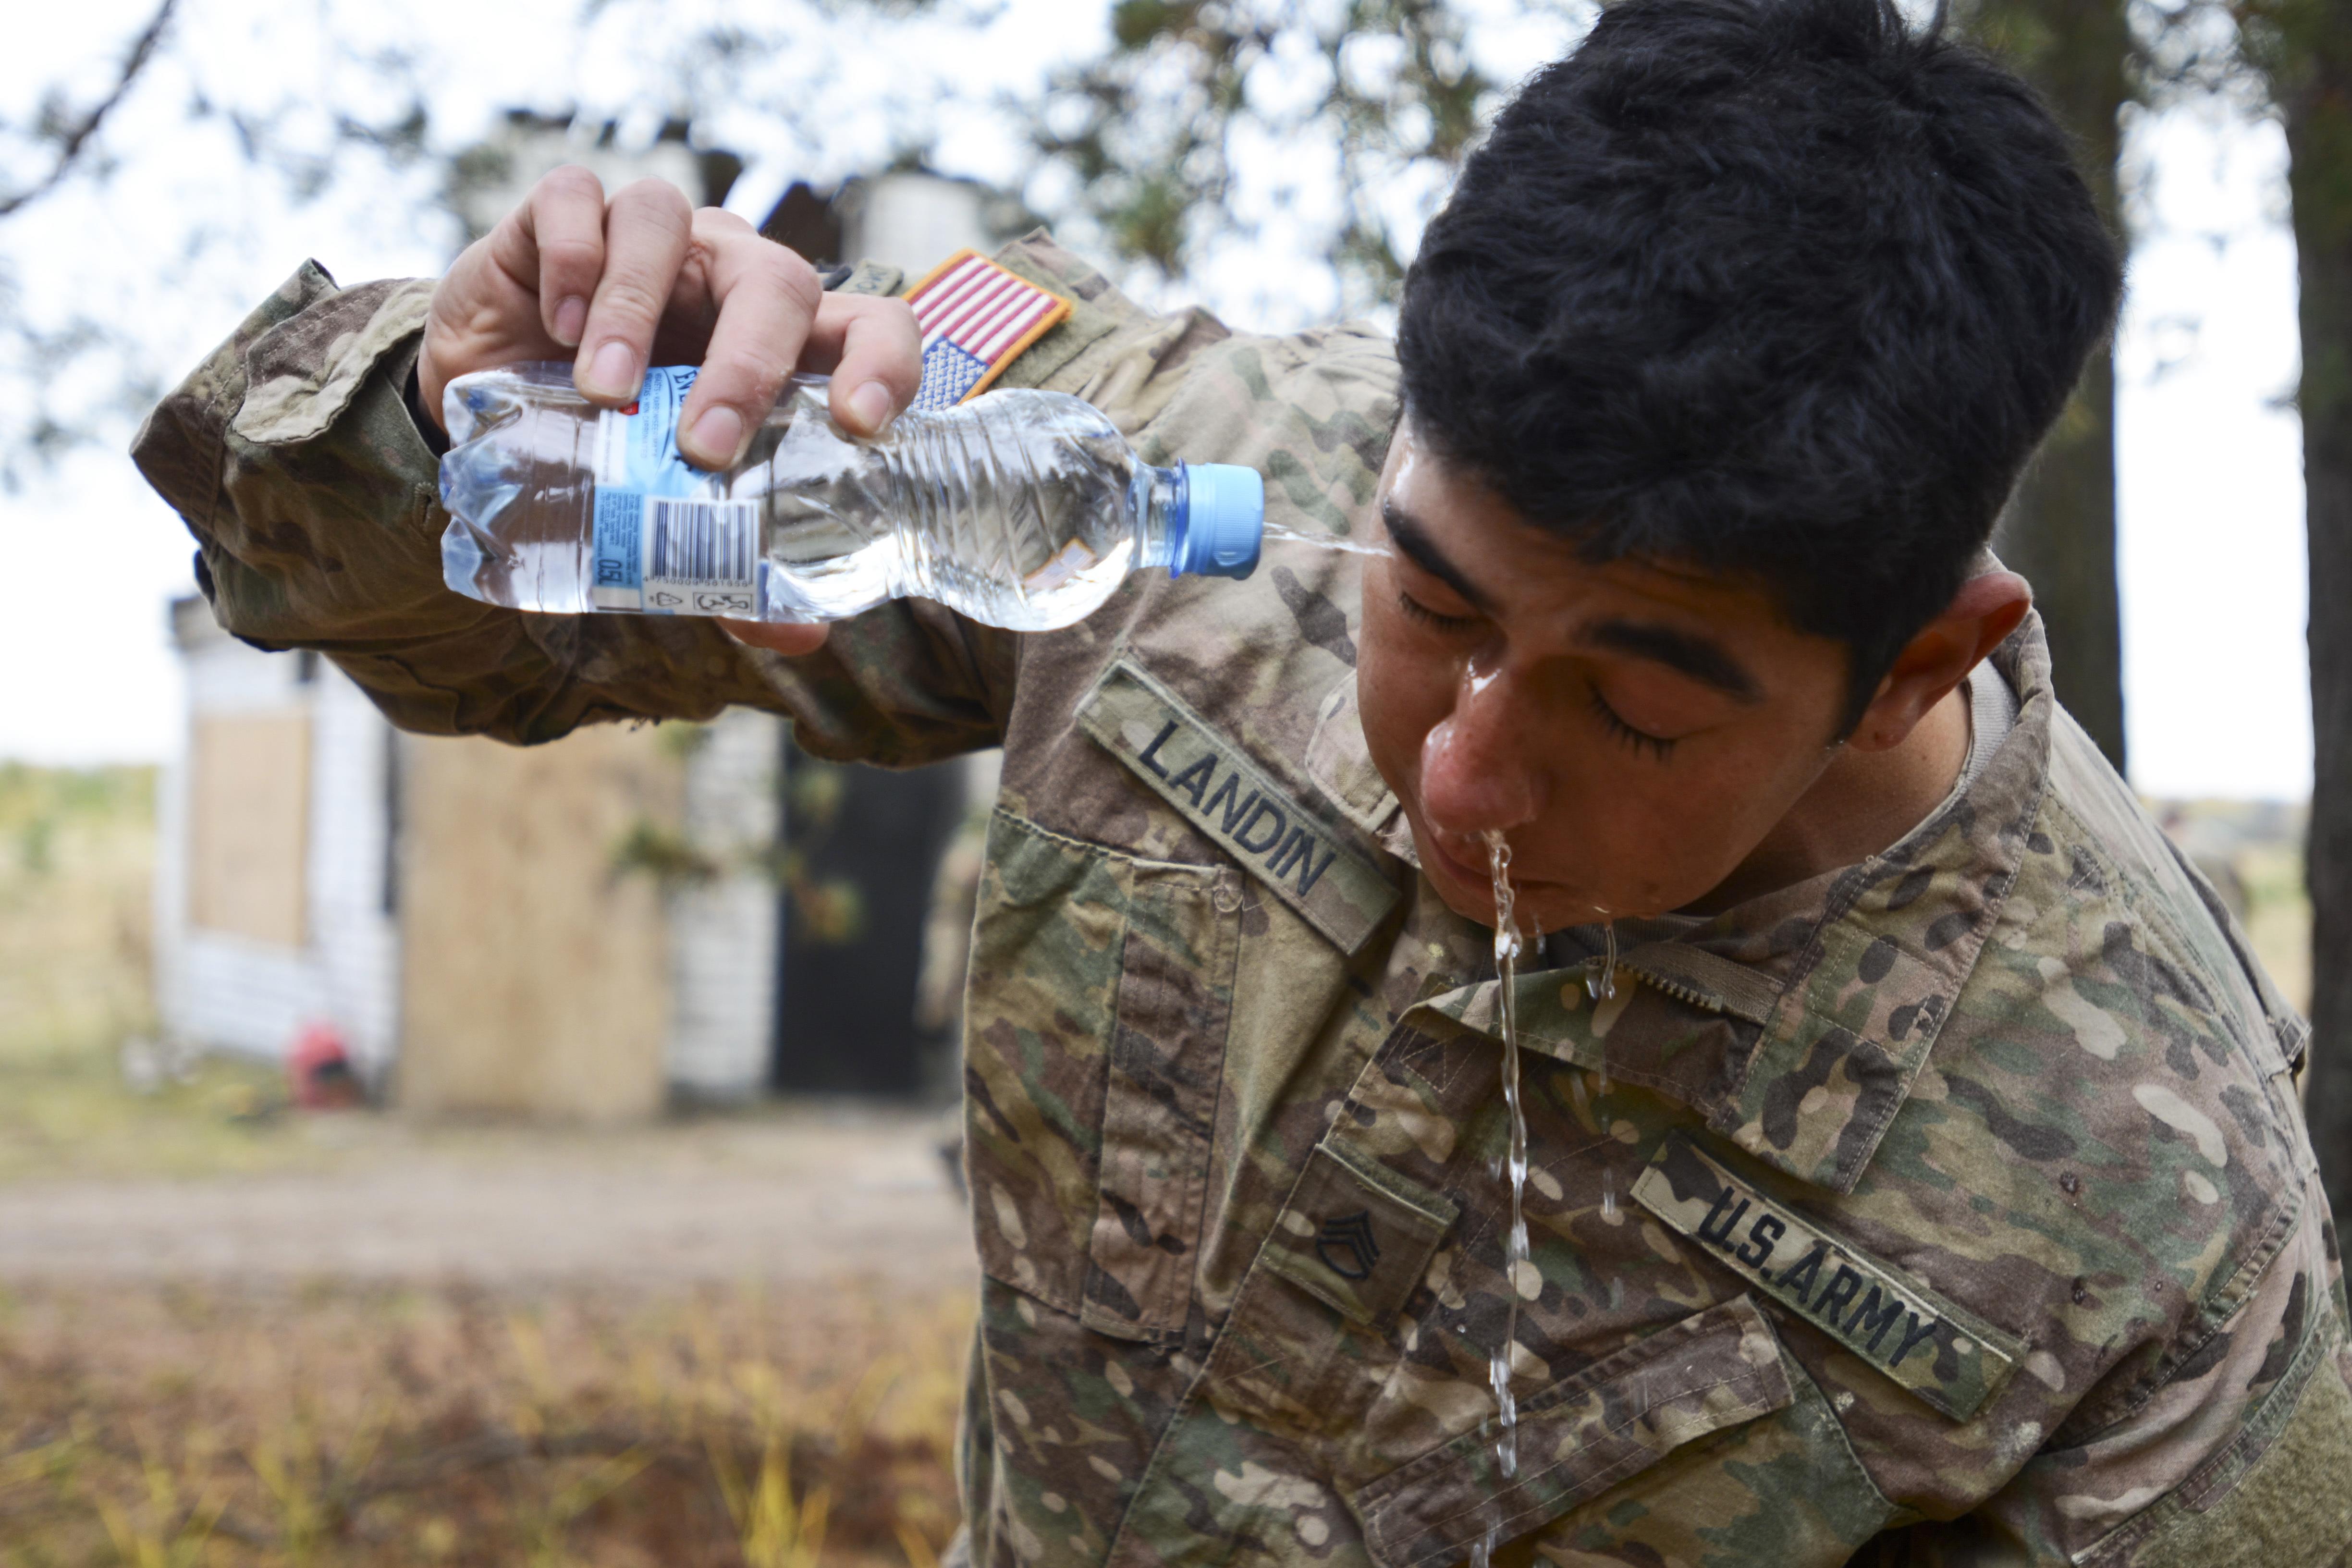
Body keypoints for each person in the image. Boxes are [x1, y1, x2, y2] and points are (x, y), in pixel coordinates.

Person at [132, 0, 2352, 1559]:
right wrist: (433, 420)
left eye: (1642, 714)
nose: (1473, 765)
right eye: (1434, 602)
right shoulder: (1159, 472)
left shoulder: (2148, 1218)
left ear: (1913, 668)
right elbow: (394, 613)